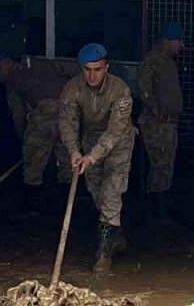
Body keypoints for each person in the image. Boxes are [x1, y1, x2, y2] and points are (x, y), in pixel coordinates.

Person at [58, 43, 136, 272]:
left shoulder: (120, 91)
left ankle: (103, 255)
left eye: (98, 69)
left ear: (107, 67)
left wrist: (91, 157)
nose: (92, 75)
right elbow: (68, 123)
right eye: (87, 70)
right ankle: (115, 234)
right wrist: (74, 151)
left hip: (119, 142)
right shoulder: (72, 89)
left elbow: (115, 131)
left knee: (111, 191)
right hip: (90, 140)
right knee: (97, 193)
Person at [0, 56, 74, 211]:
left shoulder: (12, 82)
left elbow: (18, 114)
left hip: (44, 114)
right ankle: (67, 205)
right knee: (66, 161)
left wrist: (24, 139)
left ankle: (32, 207)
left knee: (33, 164)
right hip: (68, 111)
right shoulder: (40, 63)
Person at [137, 23, 185, 222]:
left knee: (165, 164)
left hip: (167, 122)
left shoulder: (166, 61)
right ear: (167, 41)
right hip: (157, 123)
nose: (181, 45)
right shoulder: (153, 60)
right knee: (161, 163)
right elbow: (144, 88)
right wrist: (156, 111)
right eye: (178, 41)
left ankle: (160, 205)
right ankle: (156, 210)